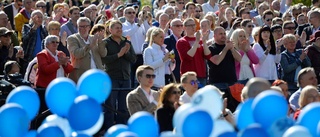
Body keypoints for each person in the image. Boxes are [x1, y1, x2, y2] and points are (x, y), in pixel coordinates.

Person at [101, 20, 136, 130]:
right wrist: (118, 55)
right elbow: (104, 60)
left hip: (125, 77)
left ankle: (122, 128)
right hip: (111, 78)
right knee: (110, 106)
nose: (119, 30)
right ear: (110, 30)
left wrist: (126, 53)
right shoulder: (105, 42)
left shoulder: (127, 42)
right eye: (116, 28)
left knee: (123, 106)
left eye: (120, 28)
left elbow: (134, 59)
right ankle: (109, 129)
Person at [67, 17, 107, 83]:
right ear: (77, 27)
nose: (84, 28)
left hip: (97, 73)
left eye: (86, 26)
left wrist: (100, 42)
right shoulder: (72, 38)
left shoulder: (93, 38)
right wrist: (90, 45)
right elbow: (76, 54)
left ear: (89, 27)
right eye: (81, 26)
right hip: (82, 75)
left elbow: (103, 54)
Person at [176, 18, 211, 86]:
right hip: (189, 76)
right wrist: (197, 42)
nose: (193, 27)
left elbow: (208, 56)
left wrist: (204, 42)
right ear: (184, 27)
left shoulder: (200, 40)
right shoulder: (182, 41)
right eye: (190, 25)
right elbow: (188, 57)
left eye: (194, 25)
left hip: (201, 75)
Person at [122, 6, 150, 88]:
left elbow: (149, 33)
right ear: (124, 14)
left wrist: (144, 20)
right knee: (130, 80)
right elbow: (127, 34)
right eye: (129, 13)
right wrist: (138, 24)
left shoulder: (140, 25)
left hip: (141, 56)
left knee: (142, 79)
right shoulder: (123, 26)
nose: (132, 14)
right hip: (129, 56)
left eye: (133, 13)